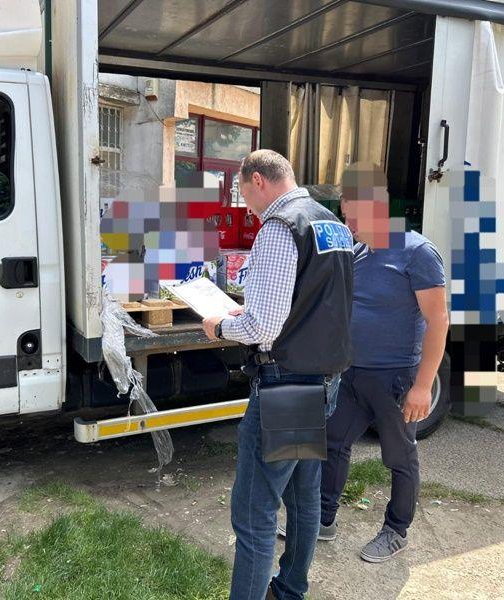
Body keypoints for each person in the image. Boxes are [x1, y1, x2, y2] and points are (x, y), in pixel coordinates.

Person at [202, 150, 353, 600]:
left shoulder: (279, 227)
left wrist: (220, 326)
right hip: (321, 380)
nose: (246, 207)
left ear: (258, 180)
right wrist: (252, 313)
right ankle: (289, 590)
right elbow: (312, 303)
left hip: (287, 386)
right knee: (303, 498)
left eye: (243, 194)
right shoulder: (331, 224)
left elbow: (264, 328)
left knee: (254, 511)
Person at [318, 162, 449, 563]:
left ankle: (396, 530)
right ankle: (323, 519)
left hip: (395, 378)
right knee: (332, 444)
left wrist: (423, 386)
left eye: (355, 217)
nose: (350, 225)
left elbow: (438, 320)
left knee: (398, 455)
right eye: (346, 216)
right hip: (351, 373)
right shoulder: (359, 252)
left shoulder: (417, 252)